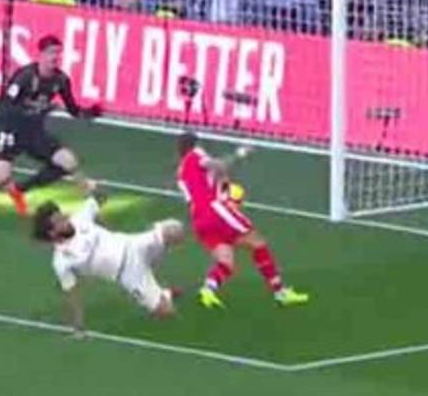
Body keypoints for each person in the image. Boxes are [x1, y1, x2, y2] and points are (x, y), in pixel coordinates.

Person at [0, 35, 102, 230]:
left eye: (58, 53)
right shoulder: (25, 77)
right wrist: (32, 111)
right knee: (1, 175)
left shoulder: (61, 80)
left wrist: (89, 113)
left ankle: (20, 188)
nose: (55, 57)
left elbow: (73, 109)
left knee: (68, 162)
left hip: (33, 132)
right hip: (11, 128)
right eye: (51, 53)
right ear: (41, 55)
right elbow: (5, 105)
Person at [175, 132, 309, 310]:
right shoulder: (195, 155)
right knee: (258, 243)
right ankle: (280, 293)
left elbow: (203, 183)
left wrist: (221, 181)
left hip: (198, 219)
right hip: (214, 210)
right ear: (195, 144)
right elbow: (218, 165)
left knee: (226, 262)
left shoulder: (180, 172)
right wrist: (240, 153)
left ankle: (208, 289)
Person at [33, 181, 183, 336]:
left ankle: (155, 242)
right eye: (59, 222)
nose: (65, 220)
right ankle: (164, 294)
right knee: (166, 312)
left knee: (176, 230)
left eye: (61, 216)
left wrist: (93, 189)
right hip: (128, 274)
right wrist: (78, 325)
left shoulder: (80, 218)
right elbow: (73, 292)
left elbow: (101, 198)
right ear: (52, 233)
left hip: (133, 245)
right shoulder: (62, 261)